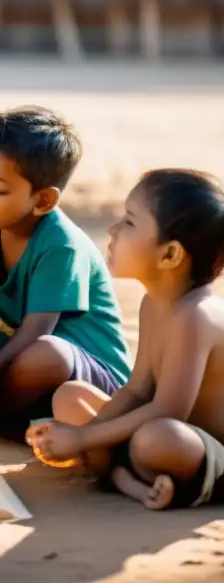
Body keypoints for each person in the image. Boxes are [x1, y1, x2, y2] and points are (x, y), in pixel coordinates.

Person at [29, 169, 224, 511]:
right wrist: (81, 430)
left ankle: (119, 472)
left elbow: (169, 410)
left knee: (155, 439)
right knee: (70, 397)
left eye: (130, 222)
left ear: (170, 255)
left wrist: (84, 437)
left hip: (204, 449)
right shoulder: (154, 304)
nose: (114, 229)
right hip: (159, 431)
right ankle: (126, 478)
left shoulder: (196, 316)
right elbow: (137, 390)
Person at [0, 107, 132, 431]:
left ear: (44, 201)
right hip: (14, 381)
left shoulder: (61, 245)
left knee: (45, 354)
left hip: (88, 385)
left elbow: (36, 334)